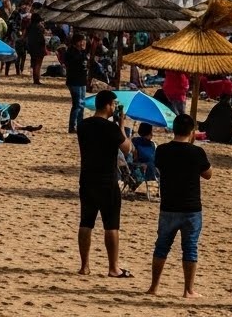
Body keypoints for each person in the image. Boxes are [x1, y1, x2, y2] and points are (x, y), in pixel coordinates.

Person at [148, 114, 212, 299]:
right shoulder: (196, 152)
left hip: (169, 205)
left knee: (161, 247)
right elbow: (208, 174)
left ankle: (154, 287)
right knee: (190, 248)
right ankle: (188, 290)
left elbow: (159, 167)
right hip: (191, 207)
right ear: (191, 131)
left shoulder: (162, 150)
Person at [76, 89, 134, 278]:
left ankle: (84, 266)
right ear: (108, 105)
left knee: (86, 222)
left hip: (87, 178)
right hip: (107, 180)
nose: (115, 108)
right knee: (111, 224)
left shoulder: (83, 125)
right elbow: (127, 148)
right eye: (113, 105)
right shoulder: (111, 129)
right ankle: (113, 267)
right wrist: (121, 124)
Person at [64, 40, 88, 133]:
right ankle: (72, 126)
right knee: (77, 104)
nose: (83, 43)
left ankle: (80, 125)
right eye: (81, 41)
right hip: (74, 81)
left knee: (82, 105)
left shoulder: (82, 52)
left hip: (82, 81)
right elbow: (74, 64)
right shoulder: (71, 52)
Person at [24, 8, 47, 85]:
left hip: (31, 46)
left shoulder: (29, 26)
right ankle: (37, 80)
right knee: (38, 63)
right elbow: (42, 38)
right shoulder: (40, 27)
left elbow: (25, 36)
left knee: (34, 63)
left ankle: (35, 79)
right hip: (39, 46)